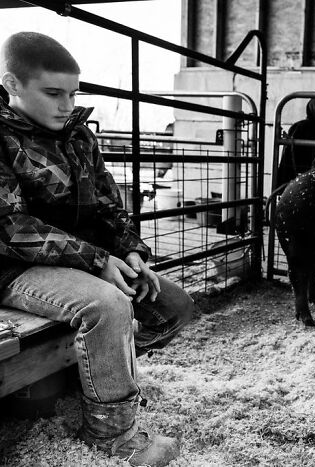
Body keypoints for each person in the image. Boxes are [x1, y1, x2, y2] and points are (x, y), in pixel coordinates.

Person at [0, 32, 193, 466]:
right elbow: (11, 227)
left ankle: (86, 374)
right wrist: (98, 261)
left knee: (174, 304)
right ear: (13, 84)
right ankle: (112, 433)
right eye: (53, 93)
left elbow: (107, 206)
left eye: (73, 93)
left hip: (76, 261)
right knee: (107, 305)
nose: (67, 104)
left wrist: (128, 251)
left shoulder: (78, 137)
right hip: (10, 268)